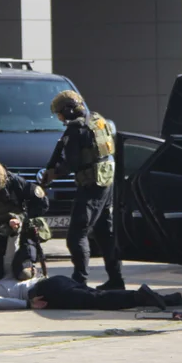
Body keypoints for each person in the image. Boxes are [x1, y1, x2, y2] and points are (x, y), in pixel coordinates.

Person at [42, 91, 122, 289]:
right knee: (105, 233)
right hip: (106, 184)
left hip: (90, 186)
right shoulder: (97, 120)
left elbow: (72, 163)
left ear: (68, 110)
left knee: (77, 235)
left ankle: (80, 281)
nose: (59, 117)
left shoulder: (76, 129)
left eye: (60, 113)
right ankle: (116, 280)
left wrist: (53, 173)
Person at [0, 158, 49, 284]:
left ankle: (29, 269)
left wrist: (21, 219)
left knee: (24, 273)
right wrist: (1, 229)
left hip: (23, 233)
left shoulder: (17, 183)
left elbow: (41, 203)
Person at [0, 276, 182, 312]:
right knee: (94, 293)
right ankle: (166, 299)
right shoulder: (2, 281)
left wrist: (27, 305)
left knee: (96, 300)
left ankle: (139, 297)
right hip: (54, 280)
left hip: (45, 292)